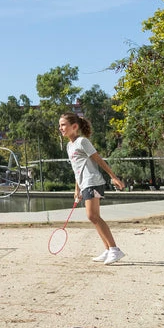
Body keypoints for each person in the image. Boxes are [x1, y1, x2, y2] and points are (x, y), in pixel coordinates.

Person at [58, 113, 126, 265]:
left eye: (63, 125)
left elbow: (98, 160)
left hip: (93, 181)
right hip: (85, 183)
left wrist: (113, 177)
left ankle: (114, 249)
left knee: (92, 216)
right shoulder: (70, 146)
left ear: (74, 127)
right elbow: (77, 168)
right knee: (93, 217)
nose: (60, 128)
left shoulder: (82, 141)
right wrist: (77, 189)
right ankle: (108, 249)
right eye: (60, 125)